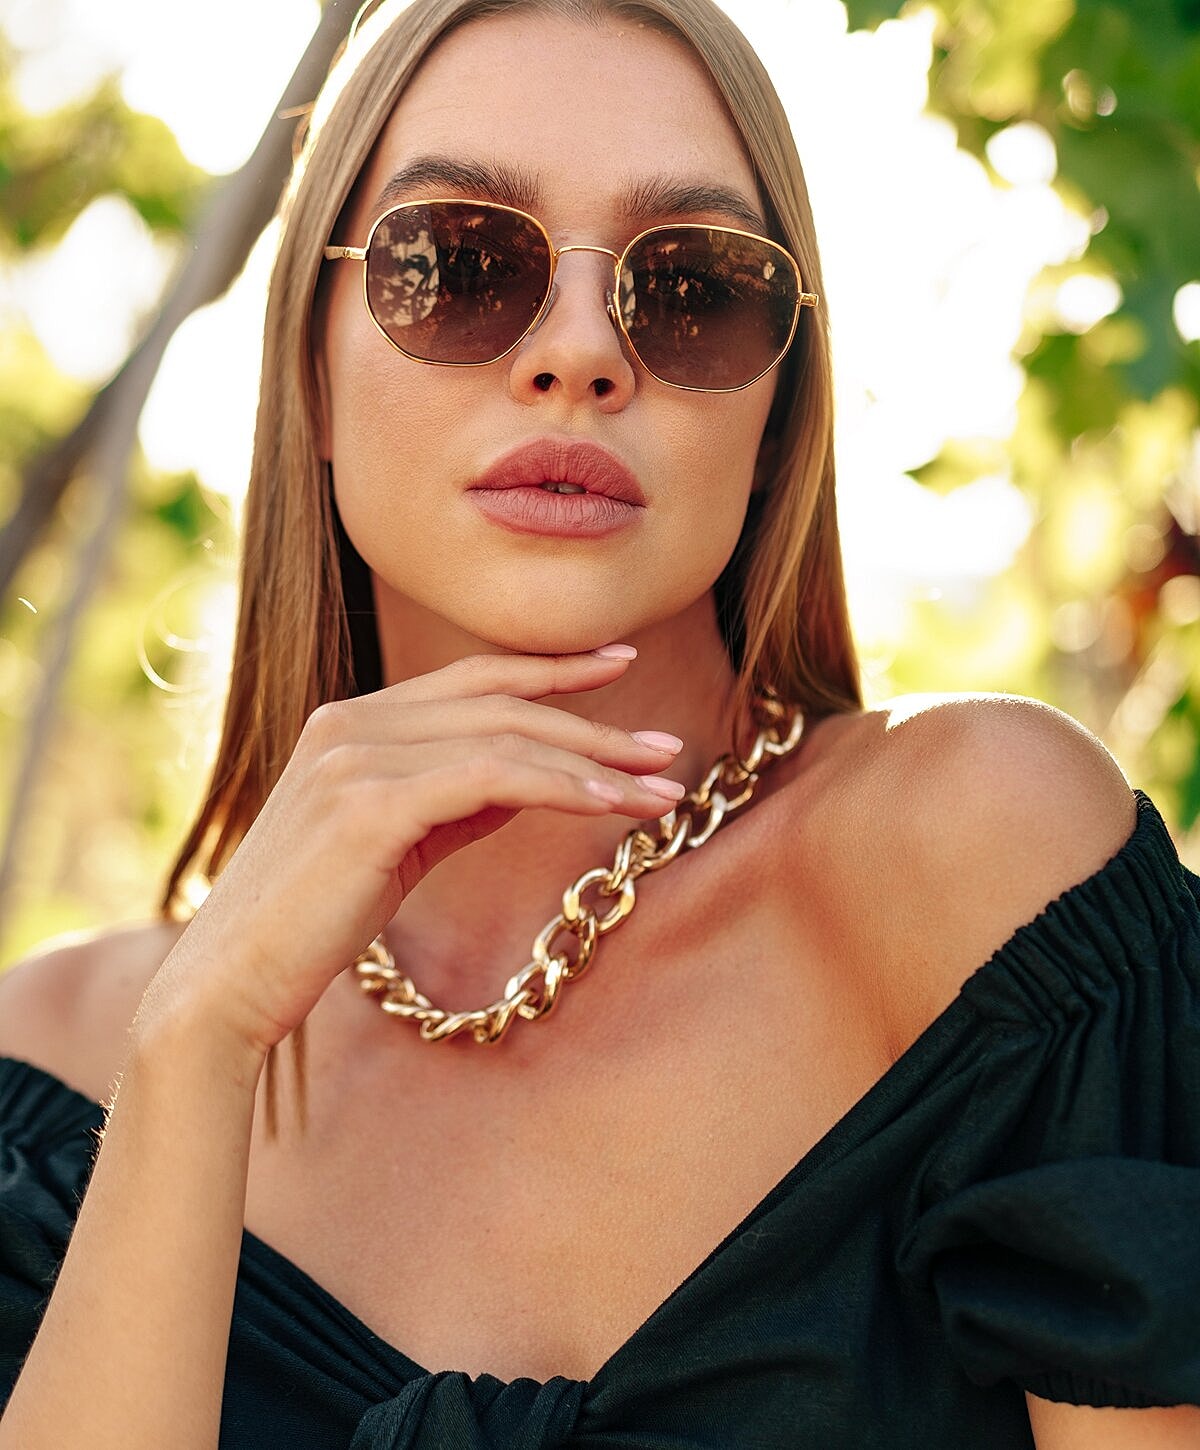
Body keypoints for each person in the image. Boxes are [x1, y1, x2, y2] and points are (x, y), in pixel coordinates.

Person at [0, 0, 1197, 1445]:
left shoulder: (983, 866)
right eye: (456, 263)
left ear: (775, 415)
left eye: (692, 286)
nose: (578, 353)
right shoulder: (48, 1072)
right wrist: (196, 1044)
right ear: (310, 371)